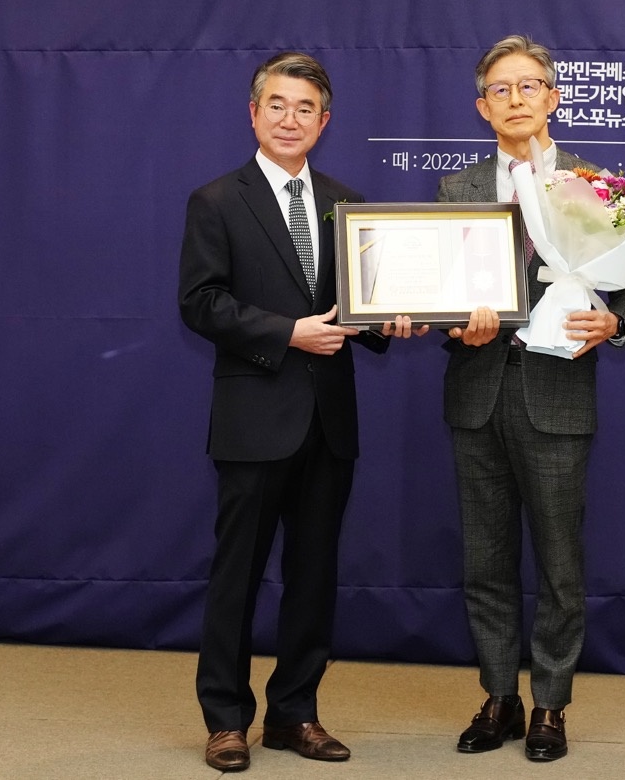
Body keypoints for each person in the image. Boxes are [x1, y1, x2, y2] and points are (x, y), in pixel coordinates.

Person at [179, 51, 423, 772]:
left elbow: (360, 308)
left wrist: (392, 321)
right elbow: (201, 303)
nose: (291, 119)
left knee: (314, 577)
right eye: (278, 105)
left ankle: (295, 713)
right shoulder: (215, 200)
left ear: (324, 121)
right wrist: (287, 333)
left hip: (329, 420)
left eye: (306, 108)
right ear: (254, 113)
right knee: (238, 578)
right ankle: (226, 719)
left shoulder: (348, 203)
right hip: (254, 418)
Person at [436, 35, 625, 763]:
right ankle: (499, 696)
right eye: (500, 89)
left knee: (560, 565)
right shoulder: (458, 190)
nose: (516, 99)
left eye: (529, 86)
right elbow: (438, 283)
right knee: (485, 561)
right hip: (476, 392)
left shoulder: (594, 186)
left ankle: (550, 705)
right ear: (482, 107)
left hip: (556, 395)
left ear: (553, 98)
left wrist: (615, 323)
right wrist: (448, 321)